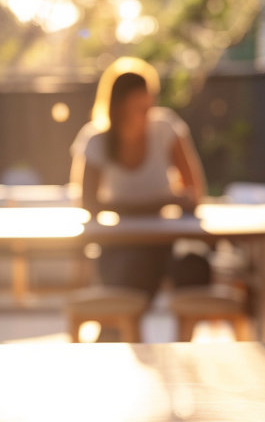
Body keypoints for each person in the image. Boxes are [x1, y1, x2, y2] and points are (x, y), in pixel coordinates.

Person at [69, 57, 209, 299]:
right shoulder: (96, 140)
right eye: (139, 110)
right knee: (133, 269)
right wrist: (164, 202)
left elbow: (195, 194)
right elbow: (87, 204)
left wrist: (161, 205)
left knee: (194, 266)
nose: (146, 116)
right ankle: (116, 328)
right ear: (118, 108)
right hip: (119, 244)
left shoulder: (165, 128)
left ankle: (177, 334)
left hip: (165, 240)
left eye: (149, 107)